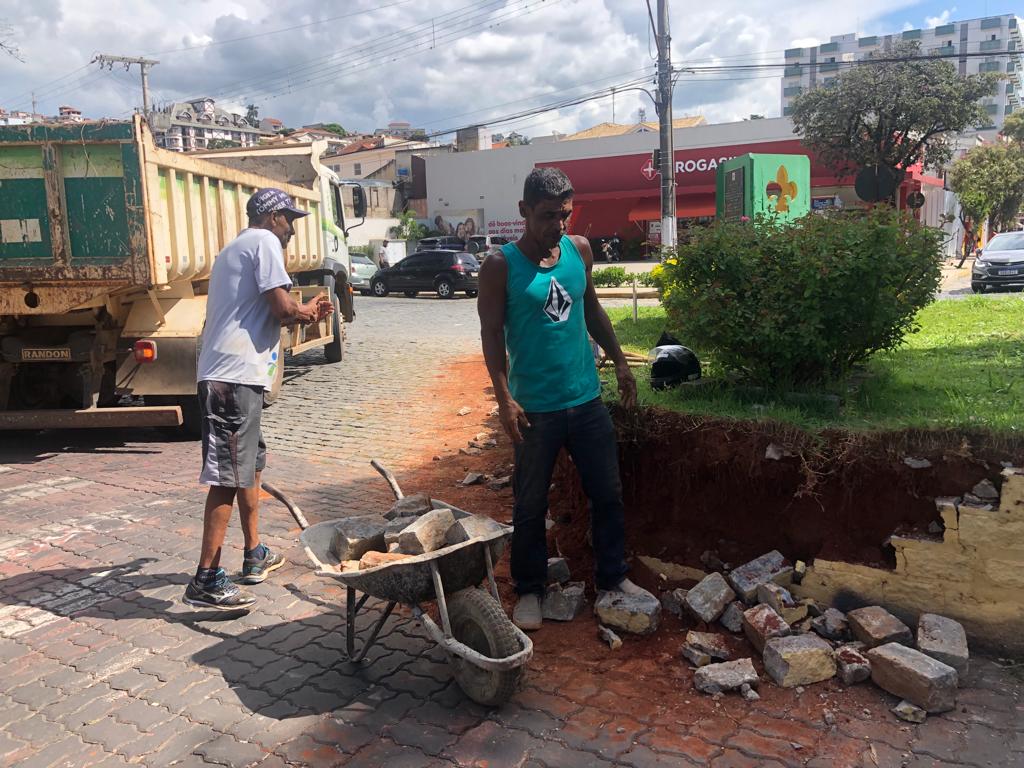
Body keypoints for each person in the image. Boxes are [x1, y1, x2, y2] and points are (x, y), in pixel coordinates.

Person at [477, 167, 652, 631]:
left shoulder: (579, 250)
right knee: (530, 503)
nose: (557, 225)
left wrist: (617, 360)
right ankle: (530, 589)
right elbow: (491, 334)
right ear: (523, 212)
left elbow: (591, 307)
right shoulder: (501, 266)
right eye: (547, 216)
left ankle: (613, 577)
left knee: (608, 493)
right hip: (535, 408)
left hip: (586, 401)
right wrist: (504, 398)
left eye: (565, 215)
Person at [183, 187, 334, 610]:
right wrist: (308, 311)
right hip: (231, 381)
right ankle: (206, 579)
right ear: (272, 218)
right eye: (289, 220)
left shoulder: (237, 247)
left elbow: (266, 312)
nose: (291, 230)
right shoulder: (264, 242)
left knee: (249, 467)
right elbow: (283, 309)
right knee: (228, 477)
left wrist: (302, 312)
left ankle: (253, 554)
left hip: (236, 378)